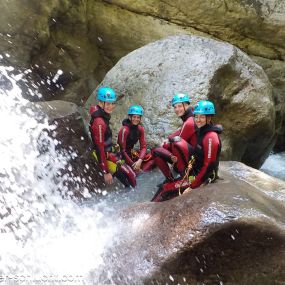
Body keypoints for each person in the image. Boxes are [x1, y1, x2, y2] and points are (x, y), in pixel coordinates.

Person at [89, 86, 136, 187]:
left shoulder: (102, 116)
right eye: (108, 103)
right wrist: (106, 171)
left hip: (109, 153)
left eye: (112, 103)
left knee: (129, 178)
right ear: (101, 103)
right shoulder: (99, 122)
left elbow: (104, 139)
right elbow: (99, 148)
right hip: (105, 156)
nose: (111, 106)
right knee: (131, 178)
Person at [152, 93, 197, 184]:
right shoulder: (192, 116)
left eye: (179, 106)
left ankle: (175, 178)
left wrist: (166, 144)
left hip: (193, 161)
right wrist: (169, 138)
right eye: (175, 107)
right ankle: (178, 169)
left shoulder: (189, 122)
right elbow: (181, 131)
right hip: (195, 154)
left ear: (186, 105)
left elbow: (179, 141)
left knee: (156, 151)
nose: (177, 109)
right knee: (169, 144)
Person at [188, 100, 222, 188]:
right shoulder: (202, 131)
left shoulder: (211, 137)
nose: (198, 120)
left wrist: (193, 186)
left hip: (206, 177)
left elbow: (209, 165)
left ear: (209, 118)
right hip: (197, 171)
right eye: (196, 117)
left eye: (202, 117)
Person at [117, 105, 155, 173]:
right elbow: (122, 151)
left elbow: (143, 147)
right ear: (129, 117)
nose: (136, 119)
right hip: (121, 156)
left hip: (130, 153)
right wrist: (133, 165)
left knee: (154, 159)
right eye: (134, 117)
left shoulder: (140, 129)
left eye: (138, 117)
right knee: (134, 174)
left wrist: (140, 160)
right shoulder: (124, 130)